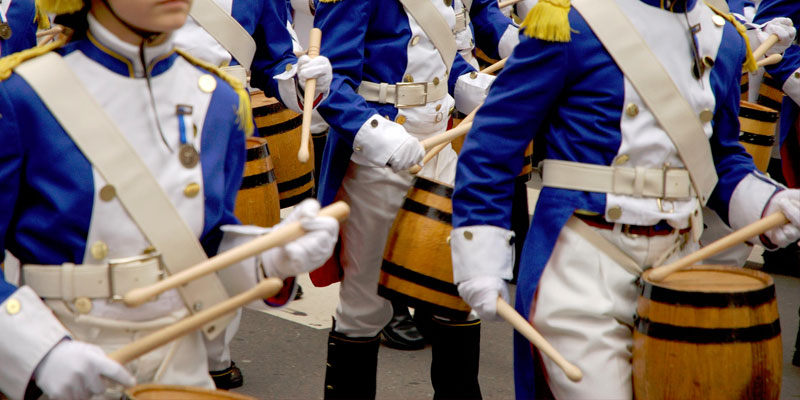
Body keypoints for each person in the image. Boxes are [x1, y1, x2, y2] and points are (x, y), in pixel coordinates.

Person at [449, 0, 800, 399]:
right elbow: (494, 142)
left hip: (678, 266)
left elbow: (719, 157)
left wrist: (770, 203)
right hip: (580, 264)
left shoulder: (725, 39)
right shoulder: (569, 23)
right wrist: (479, 254)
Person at [0, 0, 338, 398]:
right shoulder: (20, 97)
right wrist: (39, 352)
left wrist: (270, 257)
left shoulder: (220, 102)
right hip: (64, 362)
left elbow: (200, 250)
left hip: (180, 371)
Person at [311, 0, 495, 397]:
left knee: (457, 289)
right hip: (381, 152)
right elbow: (328, 83)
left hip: (443, 148)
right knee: (365, 306)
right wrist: (376, 133)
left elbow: (445, 58)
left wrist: (469, 85)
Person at [171, 0, 333, 388]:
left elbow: (272, 59)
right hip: (141, 115)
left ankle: (214, 354)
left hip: (224, 127)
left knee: (218, 232)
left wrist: (302, 78)